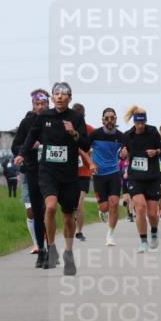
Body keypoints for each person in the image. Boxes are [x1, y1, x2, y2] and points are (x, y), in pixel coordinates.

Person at [16, 81, 89, 276]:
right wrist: (22, 153)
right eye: (56, 93)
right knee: (49, 207)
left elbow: (86, 144)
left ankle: (68, 252)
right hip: (47, 172)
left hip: (69, 174)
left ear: (69, 98)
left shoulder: (76, 117)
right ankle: (51, 246)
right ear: (53, 97)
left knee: (68, 216)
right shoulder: (44, 116)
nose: (59, 96)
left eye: (63, 94)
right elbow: (30, 137)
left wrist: (74, 133)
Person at [12, 90, 50, 263]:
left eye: (43, 104)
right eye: (37, 104)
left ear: (48, 103)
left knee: (48, 210)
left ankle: (49, 247)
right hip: (31, 170)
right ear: (33, 105)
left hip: (51, 171)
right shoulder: (27, 122)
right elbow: (15, 146)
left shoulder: (54, 120)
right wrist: (28, 148)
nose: (40, 107)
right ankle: (39, 246)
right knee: (34, 211)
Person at [122, 106, 161, 252]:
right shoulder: (128, 135)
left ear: (145, 121)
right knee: (140, 207)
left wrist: (155, 152)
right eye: (138, 123)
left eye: (142, 122)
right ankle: (143, 242)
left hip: (152, 177)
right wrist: (122, 154)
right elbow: (122, 154)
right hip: (135, 177)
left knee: (152, 214)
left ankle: (154, 230)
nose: (140, 125)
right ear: (134, 122)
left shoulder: (152, 132)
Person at [88, 107, 124, 246]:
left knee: (114, 203)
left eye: (112, 118)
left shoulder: (120, 136)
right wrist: (91, 163)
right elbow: (82, 148)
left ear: (115, 120)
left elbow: (126, 150)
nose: (110, 121)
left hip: (114, 172)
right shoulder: (95, 134)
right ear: (103, 120)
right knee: (104, 207)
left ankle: (110, 234)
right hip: (99, 174)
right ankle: (102, 211)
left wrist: (124, 153)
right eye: (107, 118)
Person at [71, 103, 95, 242]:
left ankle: (79, 232)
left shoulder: (89, 129)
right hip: (68, 172)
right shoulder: (66, 128)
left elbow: (97, 143)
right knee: (72, 204)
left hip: (84, 172)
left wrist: (90, 151)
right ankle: (71, 224)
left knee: (80, 202)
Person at [119, 149, 134, 222]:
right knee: (125, 201)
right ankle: (128, 212)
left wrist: (129, 174)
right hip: (124, 182)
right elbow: (118, 171)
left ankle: (131, 215)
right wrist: (123, 175)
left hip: (131, 181)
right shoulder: (121, 162)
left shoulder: (132, 161)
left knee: (130, 198)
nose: (125, 153)